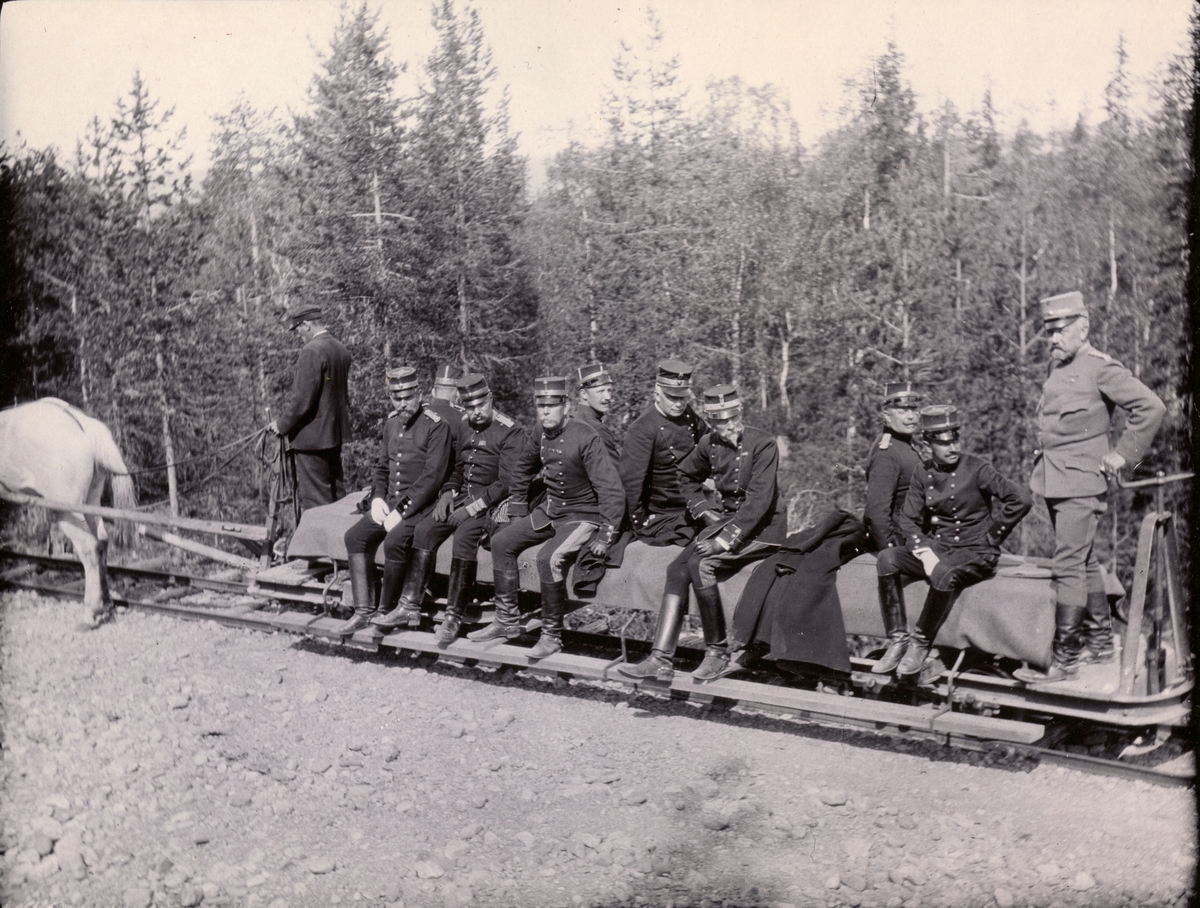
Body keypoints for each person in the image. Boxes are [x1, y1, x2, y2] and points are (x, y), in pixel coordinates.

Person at [1014, 291, 1165, 684]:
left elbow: (1151, 407)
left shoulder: (1101, 368)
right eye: (1049, 332)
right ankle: (1099, 644)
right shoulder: (1059, 366)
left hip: (1081, 482)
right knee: (1082, 561)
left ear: (1084, 326)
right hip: (1054, 479)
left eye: (1060, 330)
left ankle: (1066, 659)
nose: (1052, 338)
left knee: (1068, 563)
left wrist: (1122, 455)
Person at [618, 384, 786, 682]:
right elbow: (685, 475)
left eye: (730, 418)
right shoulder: (709, 443)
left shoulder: (763, 443)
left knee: (701, 562)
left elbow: (759, 503)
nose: (726, 426)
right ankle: (660, 658)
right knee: (677, 569)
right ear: (710, 418)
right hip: (727, 521)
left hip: (765, 528)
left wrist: (723, 541)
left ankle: (717, 652)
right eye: (718, 420)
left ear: (739, 413)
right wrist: (703, 510)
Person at [467, 376, 624, 658]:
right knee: (502, 541)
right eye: (541, 406)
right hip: (551, 510)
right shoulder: (540, 430)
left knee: (548, 558)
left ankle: (551, 636)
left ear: (566, 405)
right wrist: (517, 509)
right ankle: (506, 621)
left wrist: (606, 534)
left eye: (552, 406)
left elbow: (611, 489)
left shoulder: (586, 436)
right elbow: (522, 470)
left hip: (582, 515)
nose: (546, 412)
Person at [878, 405, 1032, 681]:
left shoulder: (976, 468)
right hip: (939, 549)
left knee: (943, 572)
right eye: (943, 442)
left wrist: (993, 536)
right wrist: (923, 551)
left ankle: (920, 644)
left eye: (955, 440)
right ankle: (897, 639)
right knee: (887, 559)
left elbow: (1020, 498)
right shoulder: (922, 474)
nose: (952, 447)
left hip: (976, 553)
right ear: (927, 444)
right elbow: (908, 519)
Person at [391, 373, 528, 646]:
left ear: (490, 399)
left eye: (480, 405)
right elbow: (457, 467)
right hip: (461, 497)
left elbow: (507, 482)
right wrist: (447, 493)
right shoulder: (465, 425)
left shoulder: (510, 431)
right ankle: (409, 605)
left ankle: (453, 617)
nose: (475, 413)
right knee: (425, 529)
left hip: (491, 504)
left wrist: (471, 509)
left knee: (465, 536)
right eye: (469, 407)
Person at [336, 367, 452, 637]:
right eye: (396, 398)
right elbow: (382, 468)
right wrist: (377, 497)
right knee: (354, 537)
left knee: (394, 541)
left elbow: (433, 477)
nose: (402, 403)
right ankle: (363, 611)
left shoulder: (436, 426)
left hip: (421, 507)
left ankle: (384, 613)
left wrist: (402, 510)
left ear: (419, 394)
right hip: (390, 503)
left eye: (407, 397)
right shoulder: (391, 424)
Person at [864, 381, 925, 674]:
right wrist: (890, 550)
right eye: (903, 410)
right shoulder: (889, 451)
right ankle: (899, 638)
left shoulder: (909, 445)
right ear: (886, 416)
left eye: (914, 408)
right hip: (903, 538)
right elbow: (877, 512)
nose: (911, 415)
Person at [270, 302, 352, 512]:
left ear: (306, 325)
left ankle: (324, 545)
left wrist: (281, 425)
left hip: (312, 441)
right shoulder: (340, 348)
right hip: (333, 437)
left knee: (318, 505)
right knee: (337, 496)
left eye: (298, 329)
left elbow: (301, 400)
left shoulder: (311, 351)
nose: (299, 335)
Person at [618, 359, 709, 546]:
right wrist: (640, 524)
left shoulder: (687, 414)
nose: (679, 404)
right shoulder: (642, 429)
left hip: (694, 500)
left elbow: (709, 443)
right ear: (657, 394)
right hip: (665, 512)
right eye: (672, 398)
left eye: (683, 397)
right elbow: (632, 484)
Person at [574, 363, 620, 463]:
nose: (608, 397)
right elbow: (616, 469)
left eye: (609, 390)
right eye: (600, 391)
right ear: (584, 394)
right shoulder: (596, 428)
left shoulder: (572, 419)